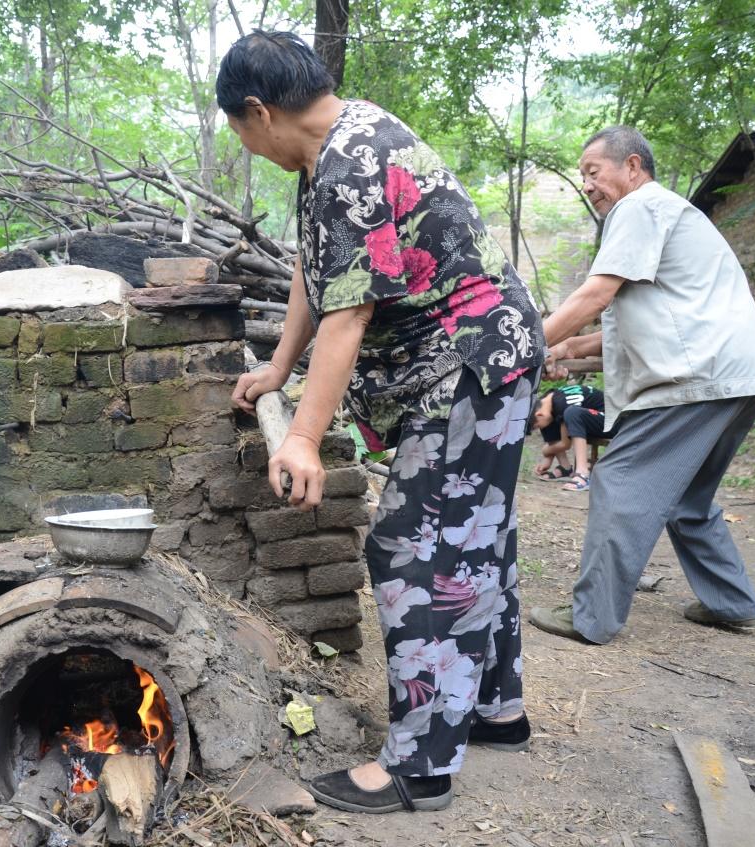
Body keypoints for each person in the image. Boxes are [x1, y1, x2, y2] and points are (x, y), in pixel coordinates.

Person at [218, 31, 545, 814]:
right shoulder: (333, 150)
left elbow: (351, 313)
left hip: (467, 364)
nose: (247, 146)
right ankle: (496, 708)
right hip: (483, 357)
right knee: (477, 536)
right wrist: (278, 370)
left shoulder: (350, 160)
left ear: (260, 111)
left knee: (415, 547)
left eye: (240, 132)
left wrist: (300, 434)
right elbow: (317, 274)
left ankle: (420, 764)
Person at [527, 126, 755, 645]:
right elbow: (636, 318)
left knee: (618, 481)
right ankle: (731, 601)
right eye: (584, 177)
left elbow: (596, 294)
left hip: (695, 377)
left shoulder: (638, 208)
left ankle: (591, 616)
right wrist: (568, 347)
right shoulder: (666, 216)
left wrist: (519, 343)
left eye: (594, 172)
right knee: (687, 499)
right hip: (736, 374)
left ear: (633, 166)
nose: (588, 185)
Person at [531, 384, 615, 491]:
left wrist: (545, 451)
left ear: (539, 414)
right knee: (552, 419)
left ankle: (583, 474)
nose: (538, 429)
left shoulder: (561, 403)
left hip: (612, 420)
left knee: (572, 412)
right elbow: (553, 434)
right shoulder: (547, 401)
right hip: (593, 419)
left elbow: (564, 444)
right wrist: (548, 459)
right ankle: (565, 468)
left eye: (536, 426)